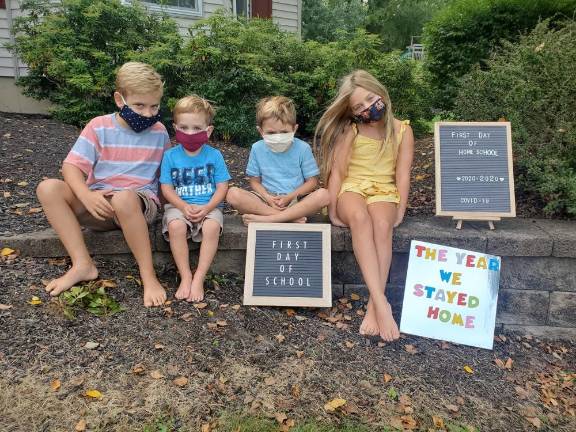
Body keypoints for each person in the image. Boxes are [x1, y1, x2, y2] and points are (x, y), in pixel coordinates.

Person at [36, 62, 170, 307]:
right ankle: (82, 264)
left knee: (124, 198)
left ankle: (148, 277)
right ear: (120, 100)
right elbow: (71, 167)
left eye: (155, 106)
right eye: (139, 105)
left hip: (137, 204)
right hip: (99, 204)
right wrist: (86, 195)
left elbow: (166, 175)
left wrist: (171, 208)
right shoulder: (99, 126)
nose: (149, 114)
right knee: (48, 188)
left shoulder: (160, 132)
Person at [314, 70, 414, 342]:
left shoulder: (403, 131)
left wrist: (401, 208)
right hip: (353, 188)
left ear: (380, 92)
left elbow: (403, 174)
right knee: (360, 218)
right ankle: (383, 304)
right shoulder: (352, 130)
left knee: (382, 224)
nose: (367, 108)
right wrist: (333, 209)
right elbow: (338, 171)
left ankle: (373, 304)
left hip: (384, 190)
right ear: (353, 112)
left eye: (370, 99)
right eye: (358, 106)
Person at [159, 95, 230, 302]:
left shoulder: (214, 155)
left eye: (197, 128)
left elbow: (222, 186)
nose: (190, 133)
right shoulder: (170, 156)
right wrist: (181, 206)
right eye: (184, 127)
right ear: (175, 128)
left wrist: (208, 208)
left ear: (208, 130)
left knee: (211, 228)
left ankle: (199, 276)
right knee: (176, 227)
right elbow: (166, 187)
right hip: (178, 206)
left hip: (209, 206)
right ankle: (185, 275)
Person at [226, 96, 330, 225]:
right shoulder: (257, 148)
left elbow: (312, 182)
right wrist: (268, 198)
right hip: (266, 201)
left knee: (324, 195)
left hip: (296, 200)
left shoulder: (303, 148)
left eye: (284, 132)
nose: (278, 137)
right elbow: (255, 182)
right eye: (271, 133)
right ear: (260, 131)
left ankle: (269, 219)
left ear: (294, 129)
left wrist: (289, 197)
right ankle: (287, 218)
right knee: (232, 194)